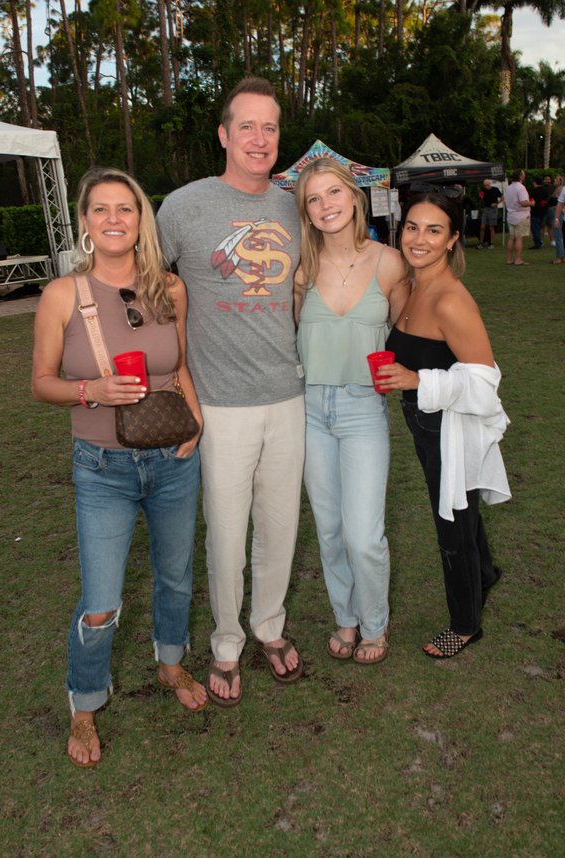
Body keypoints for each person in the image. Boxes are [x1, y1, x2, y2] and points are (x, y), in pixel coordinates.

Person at [32, 167, 206, 767]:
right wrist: (92, 392)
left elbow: (179, 365)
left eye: (125, 209)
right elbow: (41, 383)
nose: (113, 219)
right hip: (101, 465)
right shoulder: (62, 295)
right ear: (84, 221)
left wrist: (197, 418)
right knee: (102, 599)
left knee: (176, 576)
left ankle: (171, 663)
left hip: (174, 458)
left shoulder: (170, 288)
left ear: (140, 220)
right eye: (100, 209)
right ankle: (84, 704)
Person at [156, 77, 305, 707]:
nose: (259, 138)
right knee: (225, 534)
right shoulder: (184, 207)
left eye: (270, 127)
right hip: (218, 403)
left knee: (280, 525)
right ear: (223, 134)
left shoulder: (294, 207)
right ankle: (225, 642)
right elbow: (141, 284)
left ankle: (268, 627)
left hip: (288, 394)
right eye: (247, 126)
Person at [378, 188, 511, 659]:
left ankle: (465, 623)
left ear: (453, 239)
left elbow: (484, 383)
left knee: (450, 517)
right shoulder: (412, 286)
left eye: (434, 230)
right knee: (462, 504)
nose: (420, 239)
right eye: (412, 227)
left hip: (449, 427)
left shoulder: (451, 300)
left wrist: (417, 379)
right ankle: (486, 575)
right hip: (423, 422)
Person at [293, 158, 408, 664]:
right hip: (310, 408)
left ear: (355, 197)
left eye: (333, 193)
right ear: (306, 211)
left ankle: (376, 623)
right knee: (330, 527)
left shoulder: (389, 262)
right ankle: (346, 617)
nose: (326, 206)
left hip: (364, 409)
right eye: (314, 199)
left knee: (364, 534)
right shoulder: (300, 267)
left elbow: (409, 335)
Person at [503, 169, 532, 266]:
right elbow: (523, 203)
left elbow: (505, 201)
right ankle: (518, 259)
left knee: (511, 238)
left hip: (511, 215)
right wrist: (531, 203)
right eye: (523, 173)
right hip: (521, 216)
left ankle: (510, 258)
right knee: (519, 238)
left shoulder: (509, 187)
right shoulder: (521, 188)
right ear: (520, 176)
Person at [477, 179, 502, 249]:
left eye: (487, 185)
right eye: (485, 185)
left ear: (490, 184)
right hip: (486, 209)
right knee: (482, 227)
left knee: (491, 227)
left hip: (493, 210)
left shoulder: (495, 189)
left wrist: (496, 204)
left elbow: (502, 197)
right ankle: (481, 243)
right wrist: (480, 197)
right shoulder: (483, 190)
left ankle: (491, 243)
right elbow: (481, 198)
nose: (486, 186)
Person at [529, 176, 550, 249]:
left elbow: (531, 201)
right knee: (540, 227)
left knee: (535, 228)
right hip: (543, 212)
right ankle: (538, 242)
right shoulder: (545, 190)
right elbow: (547, 200)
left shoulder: (533, 191)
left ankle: (538, 243)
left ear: (534, 182)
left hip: (534, 212)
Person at [551, 176, 565, 263]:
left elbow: (560, 204)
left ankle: (560, 257)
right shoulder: (560, 189)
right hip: (560, 214)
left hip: (559, 213)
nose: (554, 180)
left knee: (558, 236)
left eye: (556, 179)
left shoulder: (561, 189)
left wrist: (556, 218)